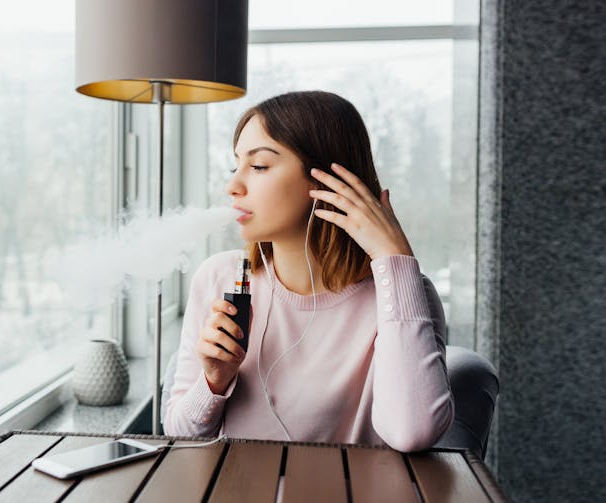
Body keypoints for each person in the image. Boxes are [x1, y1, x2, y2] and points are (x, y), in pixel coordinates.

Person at [163, 91, 453, 451]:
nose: (232, 186)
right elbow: (178, 436)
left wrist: (393, 257)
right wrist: (214, 382)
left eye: (258, 167)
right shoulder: (218, 277)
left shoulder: (403, 294)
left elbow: (413, 432)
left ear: (325, 181)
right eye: (234, 166)